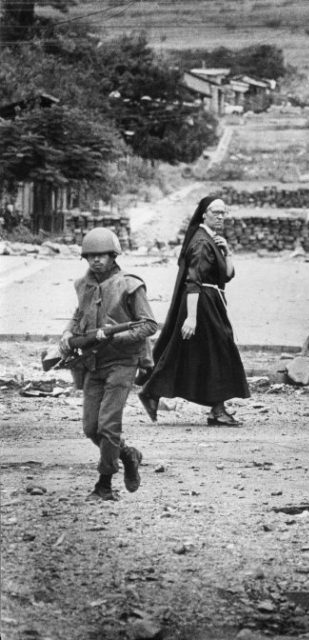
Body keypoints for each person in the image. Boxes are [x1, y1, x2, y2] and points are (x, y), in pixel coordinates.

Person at [61, 228, 158, 501]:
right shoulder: (83, 285)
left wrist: (116, 336)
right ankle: (128, 454)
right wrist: (68, 333)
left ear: (113, 255)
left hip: (123, 361)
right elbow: (79, 313)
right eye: (90, 256)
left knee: (108, 425)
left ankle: (104, 484)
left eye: (101, 255)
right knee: (91, 428)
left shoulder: (130, 285)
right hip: (93, 361)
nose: (95, 261)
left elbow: (149, 324)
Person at [138, 196, 250, 426]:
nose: (220, 216)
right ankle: (156, 392)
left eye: (223, 212)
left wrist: (227, 251)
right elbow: (193, 281)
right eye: (215, 212)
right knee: (220, 350)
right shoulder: (201, 242)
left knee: (194, 352)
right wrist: (191, 317)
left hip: (211, 302)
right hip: (202, 303)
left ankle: (154, 393)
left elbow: (227, 275)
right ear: (203, 214)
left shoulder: (213, 239)